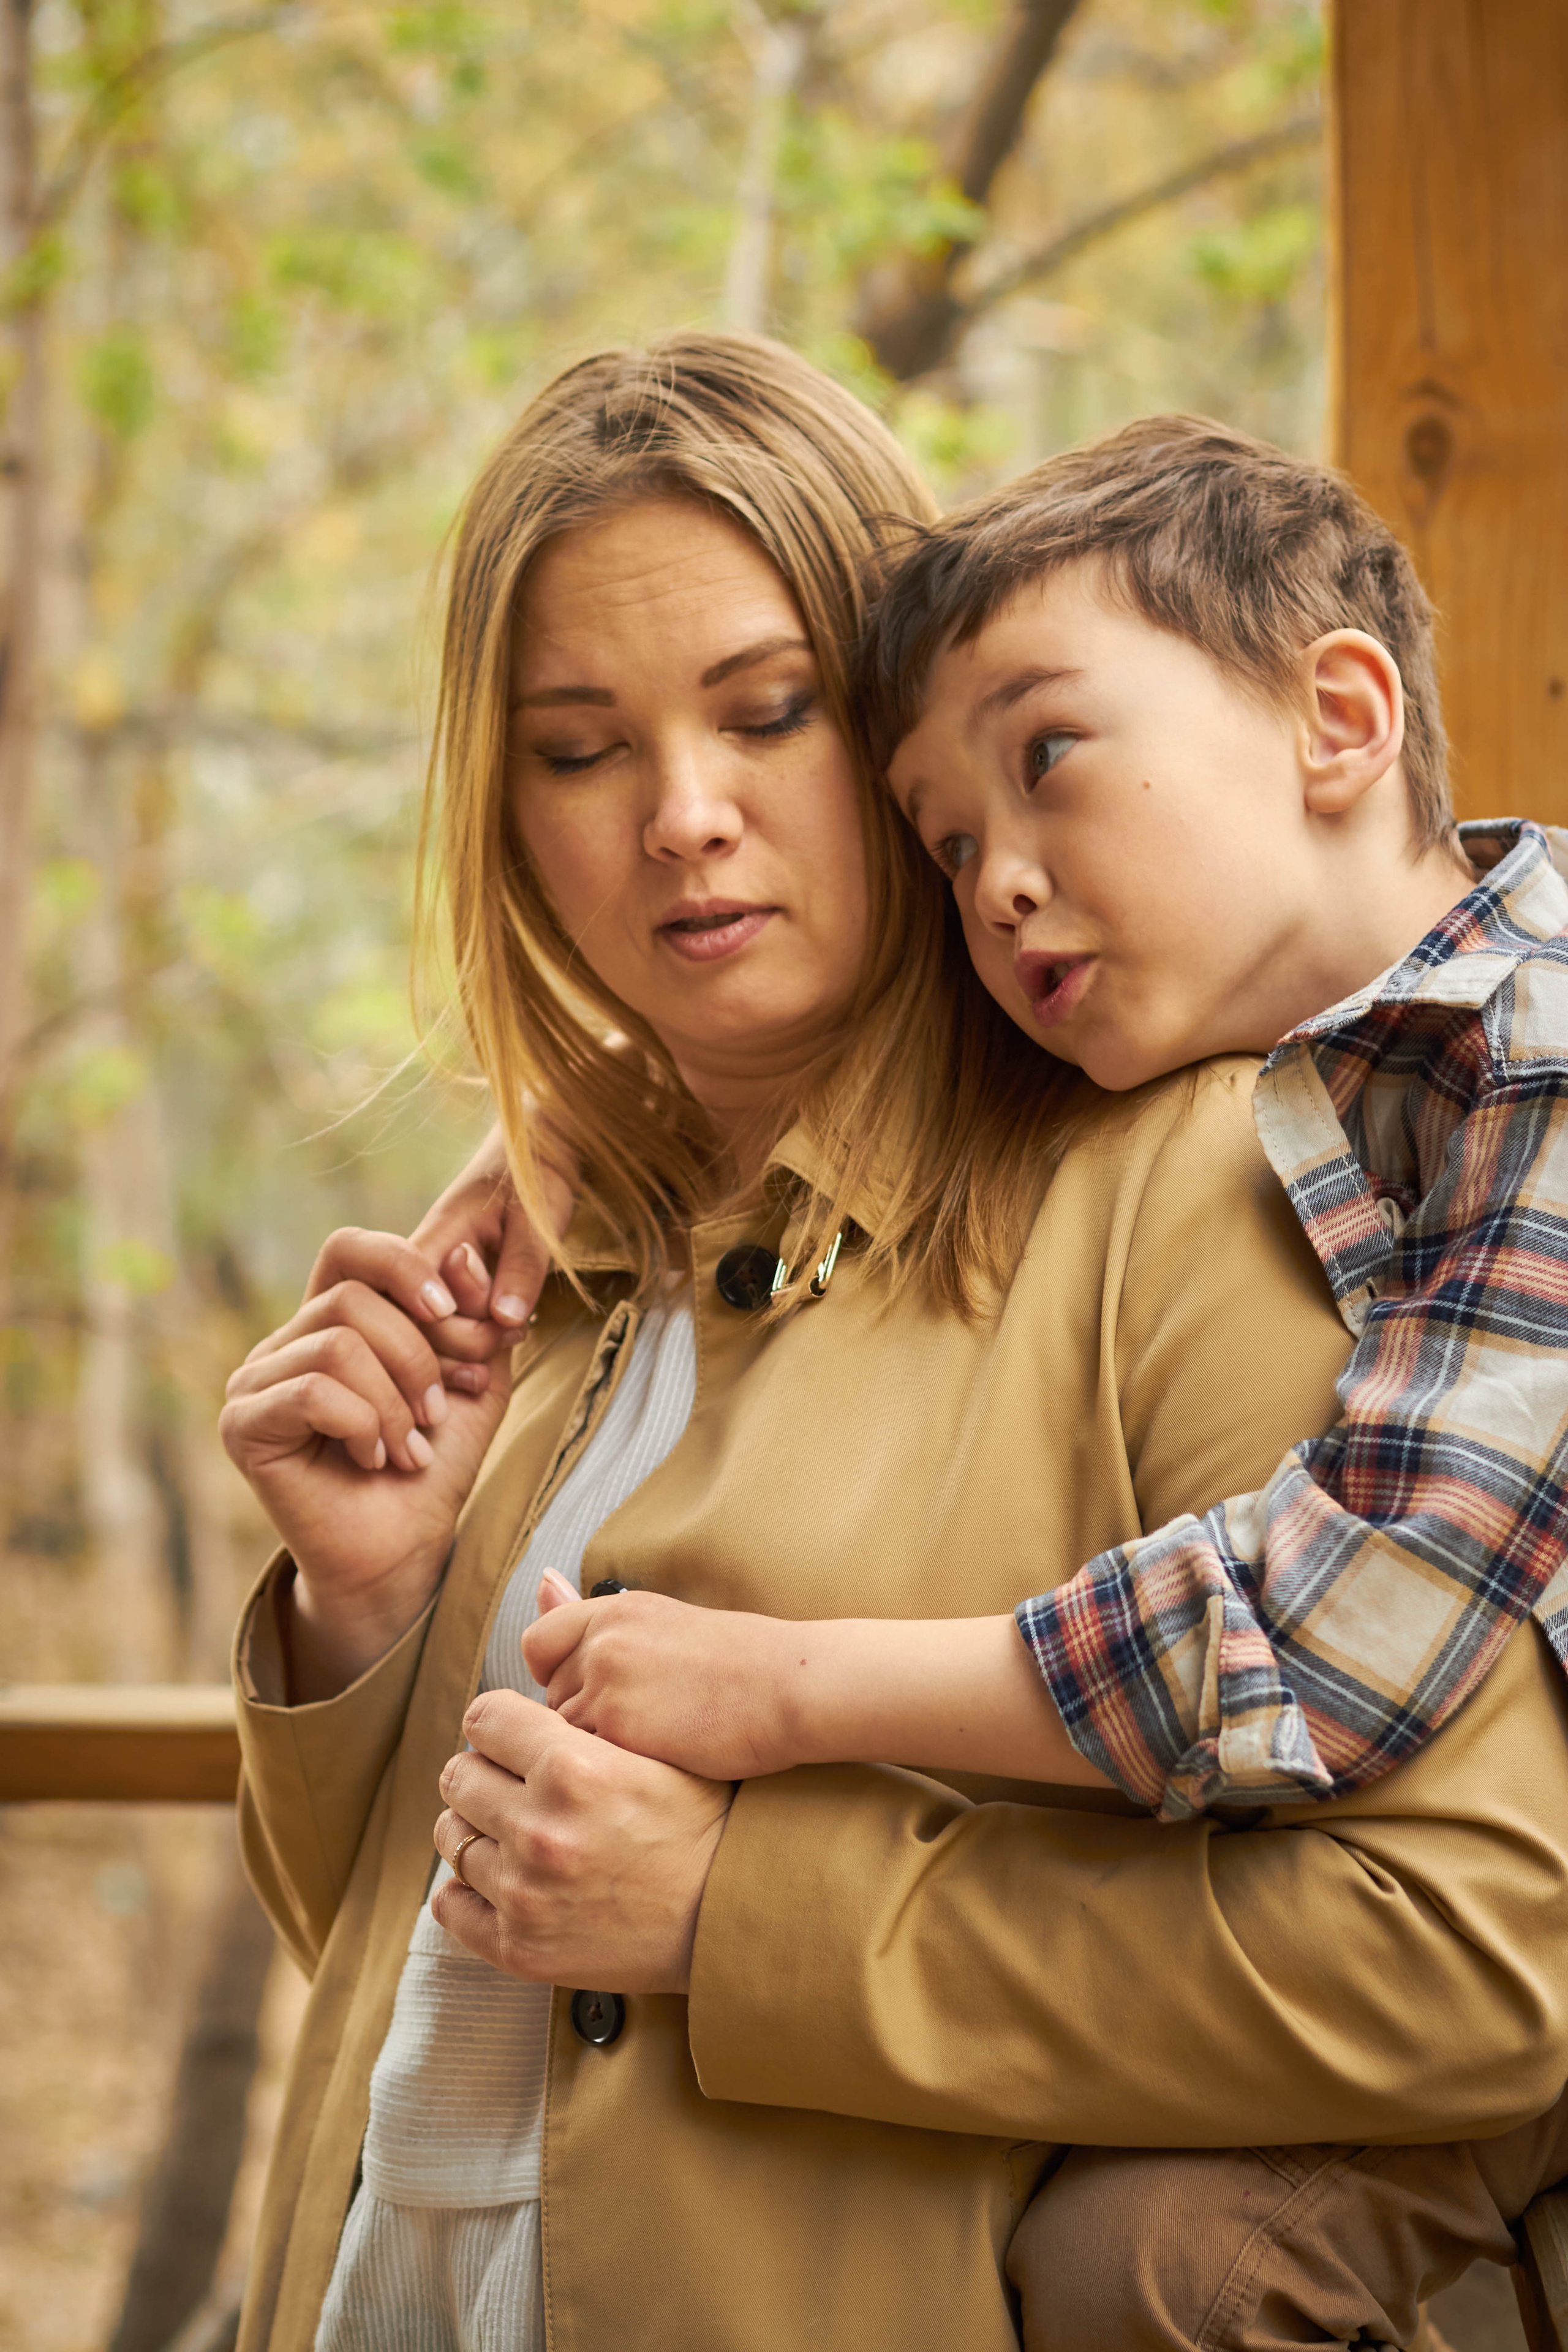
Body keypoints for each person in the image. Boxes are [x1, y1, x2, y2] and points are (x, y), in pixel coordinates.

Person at [221, 339, 1568, 2352]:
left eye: (767, 716)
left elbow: (1469, 1966)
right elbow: (445, 1976)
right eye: (577, 750)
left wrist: (738, 1911)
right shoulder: (549, 1257)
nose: (683, 816)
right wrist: (374, 1612)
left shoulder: (1216, 1187)